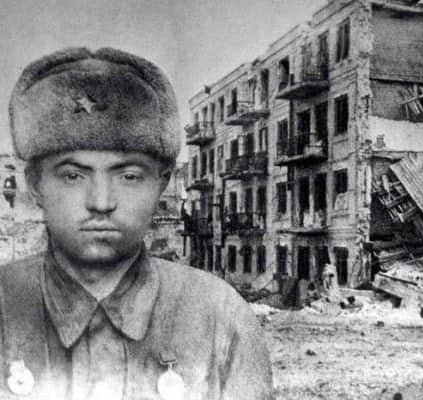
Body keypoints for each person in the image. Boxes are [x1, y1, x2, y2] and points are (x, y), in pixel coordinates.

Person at [3, 47, 273, 400]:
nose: (101, 202)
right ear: (35, 184)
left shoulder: (220, 318)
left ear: (161, 183)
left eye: (128, 176)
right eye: (72, 175)